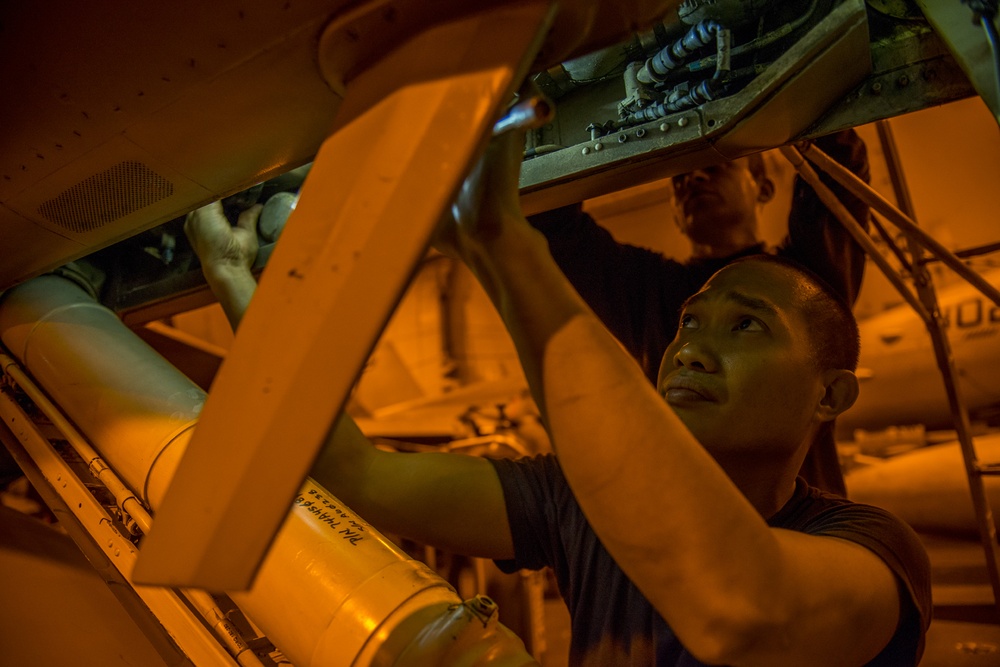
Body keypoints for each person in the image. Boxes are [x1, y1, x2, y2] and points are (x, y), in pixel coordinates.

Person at [184, 130, 928, 665]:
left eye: (746, 326)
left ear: (831, 395)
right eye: (689, 322)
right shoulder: (579, 500)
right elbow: (358, 475)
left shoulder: (873, 549)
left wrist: (500, 243)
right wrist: (241, 287)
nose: (688, 347)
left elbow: (743, 610)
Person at [528, 130, 870, 496]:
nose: (694, 178)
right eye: (679, 179)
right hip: (692, 515)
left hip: (803, 517)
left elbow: (836, 156)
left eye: (717, 166)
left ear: (764, 188)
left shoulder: (807, 284)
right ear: (675, 215)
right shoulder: (649, 294)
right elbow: (552, 224)